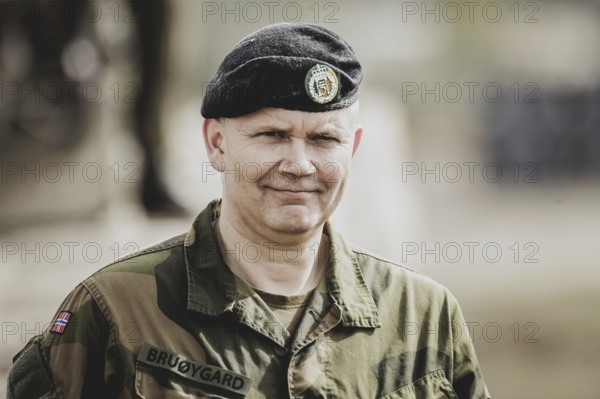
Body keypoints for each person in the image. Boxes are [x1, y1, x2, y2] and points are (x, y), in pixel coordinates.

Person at [7, 23, 491, 398]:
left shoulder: (425, 315)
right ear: (217, 144)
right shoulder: (113, 311)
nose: (300, 165)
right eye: (273, 136)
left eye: (324, 139)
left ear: (354, 148)